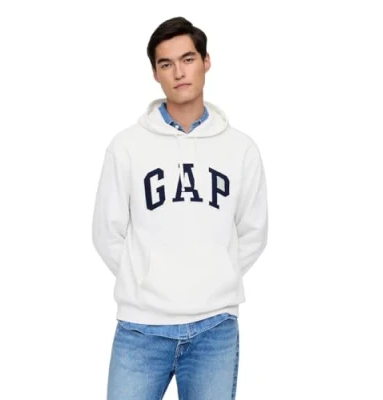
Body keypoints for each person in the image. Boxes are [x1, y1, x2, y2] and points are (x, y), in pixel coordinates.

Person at [92, 16, 268, 400]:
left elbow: (254, 230)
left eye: (187, 59)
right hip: (141, 328)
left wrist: (216, 277)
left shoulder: (240, 149)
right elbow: (107, 231)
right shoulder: (127, 147)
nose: (179, 72)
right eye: (166, 63)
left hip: (214, 328)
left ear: (206, 61)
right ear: (155, 73)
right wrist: (145, 280)